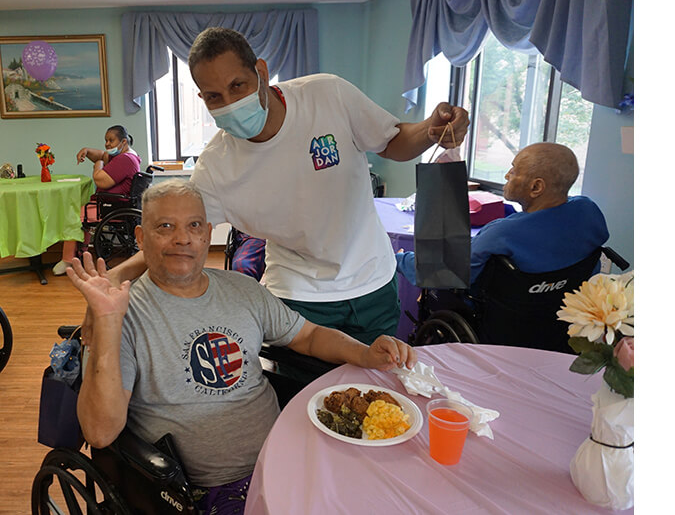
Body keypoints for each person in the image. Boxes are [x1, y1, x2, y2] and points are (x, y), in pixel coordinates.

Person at [67, 180, 416, 514]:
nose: (182, 239)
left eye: (194, 225)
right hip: (209, 489)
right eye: (165, 227)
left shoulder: (243, 290)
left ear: (207, 234)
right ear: (141, 238)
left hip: (291, 453)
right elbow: (100, 432)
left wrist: (365, 352)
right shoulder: (122, 312)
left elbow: (308, 336)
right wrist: (107, 322)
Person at [107, 27, 470, 347]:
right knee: (303, 399)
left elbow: (391, 141)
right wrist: (118, 275)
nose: (231, 103)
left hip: (372, 279)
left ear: (261, 73)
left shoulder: (327, 96)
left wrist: (430, 130)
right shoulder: (217, 168)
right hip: (297, 294)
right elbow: (180, 238)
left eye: (238, 86)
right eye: (215, 97)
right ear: (203, 100)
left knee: (377, 395)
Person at [394, 142, 609, 286]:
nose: (506, 175)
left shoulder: (501, 233)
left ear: (536, 187)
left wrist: (400, 259)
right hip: (558, 315)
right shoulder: (588, 212)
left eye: (514, 171)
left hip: (497, 317)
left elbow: (440, 271)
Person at [53, 125, 142, 275]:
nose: (107, 144)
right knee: (84, 210)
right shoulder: (126, 156)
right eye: (106, 140)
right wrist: (87, 151)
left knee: (74, 214)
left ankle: (68, 260)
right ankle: (82, 252)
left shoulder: (125, 160)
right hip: (114, 204)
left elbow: (101, 181)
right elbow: (102, 154)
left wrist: (98, 165)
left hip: (112, 206)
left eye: (111, 140)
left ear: (124, 142)